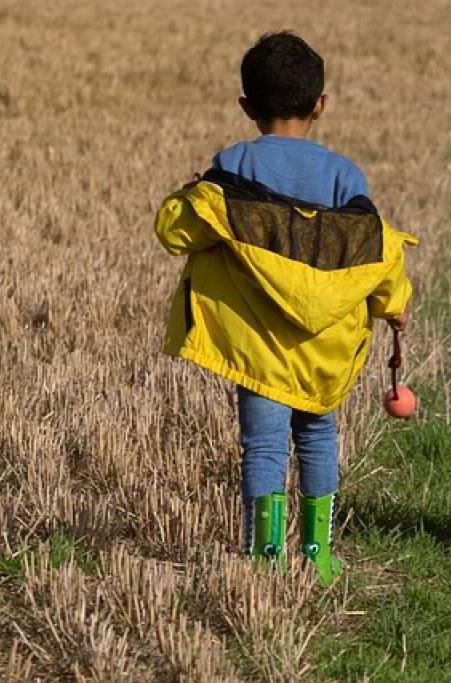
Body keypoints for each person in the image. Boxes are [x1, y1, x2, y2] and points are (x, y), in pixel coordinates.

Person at [154, 31, 415, 585]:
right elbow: (373, 248)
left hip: (258, 348)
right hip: (325, 350)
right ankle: (318, 552)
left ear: (247, 107)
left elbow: (178, 234)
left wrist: (188, 196)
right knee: (319, 436)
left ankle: (264, 556)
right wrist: (395, 305)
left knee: (263, 445)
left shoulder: (232, 166)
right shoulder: (347, 177)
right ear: (320, 105)